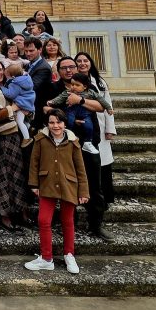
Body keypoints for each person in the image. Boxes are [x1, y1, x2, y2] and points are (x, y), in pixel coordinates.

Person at [47, 57, 110, 242]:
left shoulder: (88, 86)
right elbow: (46, 109)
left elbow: (100, 106)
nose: (68, 70)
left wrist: (80, 100)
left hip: (90, 142)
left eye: (71, 67)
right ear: (58, 70)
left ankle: (96, 225)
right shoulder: (54, 88)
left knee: (94, 184)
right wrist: (69, 119)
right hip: (66, 143)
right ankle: (69, 225)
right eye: (64, 68)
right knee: (67, 185)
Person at [25, 109, 89, 274]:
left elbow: (80, 168)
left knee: (67, 220)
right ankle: (47, 258)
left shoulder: (73, 142)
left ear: (65, 123)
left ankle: (69, 255)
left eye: (59, 122)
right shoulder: (40, 140)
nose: (55, 126)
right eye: (52, 122)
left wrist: (83, 191)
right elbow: (34, 163)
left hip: (69, 185)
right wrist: (34, 184)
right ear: (47, 124)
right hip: (47, 184)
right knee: (44, 220)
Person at [0, 58, 34, 232]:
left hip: (20, 133)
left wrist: (27, 111)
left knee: (21, 173)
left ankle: (22, 209)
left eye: (0, 70)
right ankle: (3, 212)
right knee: (4, 173)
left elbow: (29, 100)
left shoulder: (14, 83)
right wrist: (13, 109)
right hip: (4, 135)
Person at [76, 51, 118, 220]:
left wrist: (110, 128)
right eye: (79, 61)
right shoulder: (75, 82)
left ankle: (105, 198)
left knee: (104, 163)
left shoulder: (99, 82)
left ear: (90, 62)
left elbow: (108, 106)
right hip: (84, 126)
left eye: (85, 60)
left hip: (100, 124)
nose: (82, 63)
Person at [47, 73, 111, 155]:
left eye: (77, 85)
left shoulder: (90, 92)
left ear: (85, 86)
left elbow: (101, 99)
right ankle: (68, 136)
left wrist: (108, 108)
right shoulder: (68, 92)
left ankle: (87, 142)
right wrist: (52, 102)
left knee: (89, 126)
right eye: (72, 84)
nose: (73, 87)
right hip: (71, 111)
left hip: (85, 114)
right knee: (69, 121)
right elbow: (60, 98)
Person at [0, 63, 36, 148]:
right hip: (28, 102)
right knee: (23, 121)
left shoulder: (15, 83)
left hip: (21, 104)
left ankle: (26, 138)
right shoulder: (26, 79)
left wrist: (1, 88)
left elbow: (11, 94)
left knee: (19, 121)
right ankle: (29, 128)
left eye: (7, 76)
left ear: (13, 77)